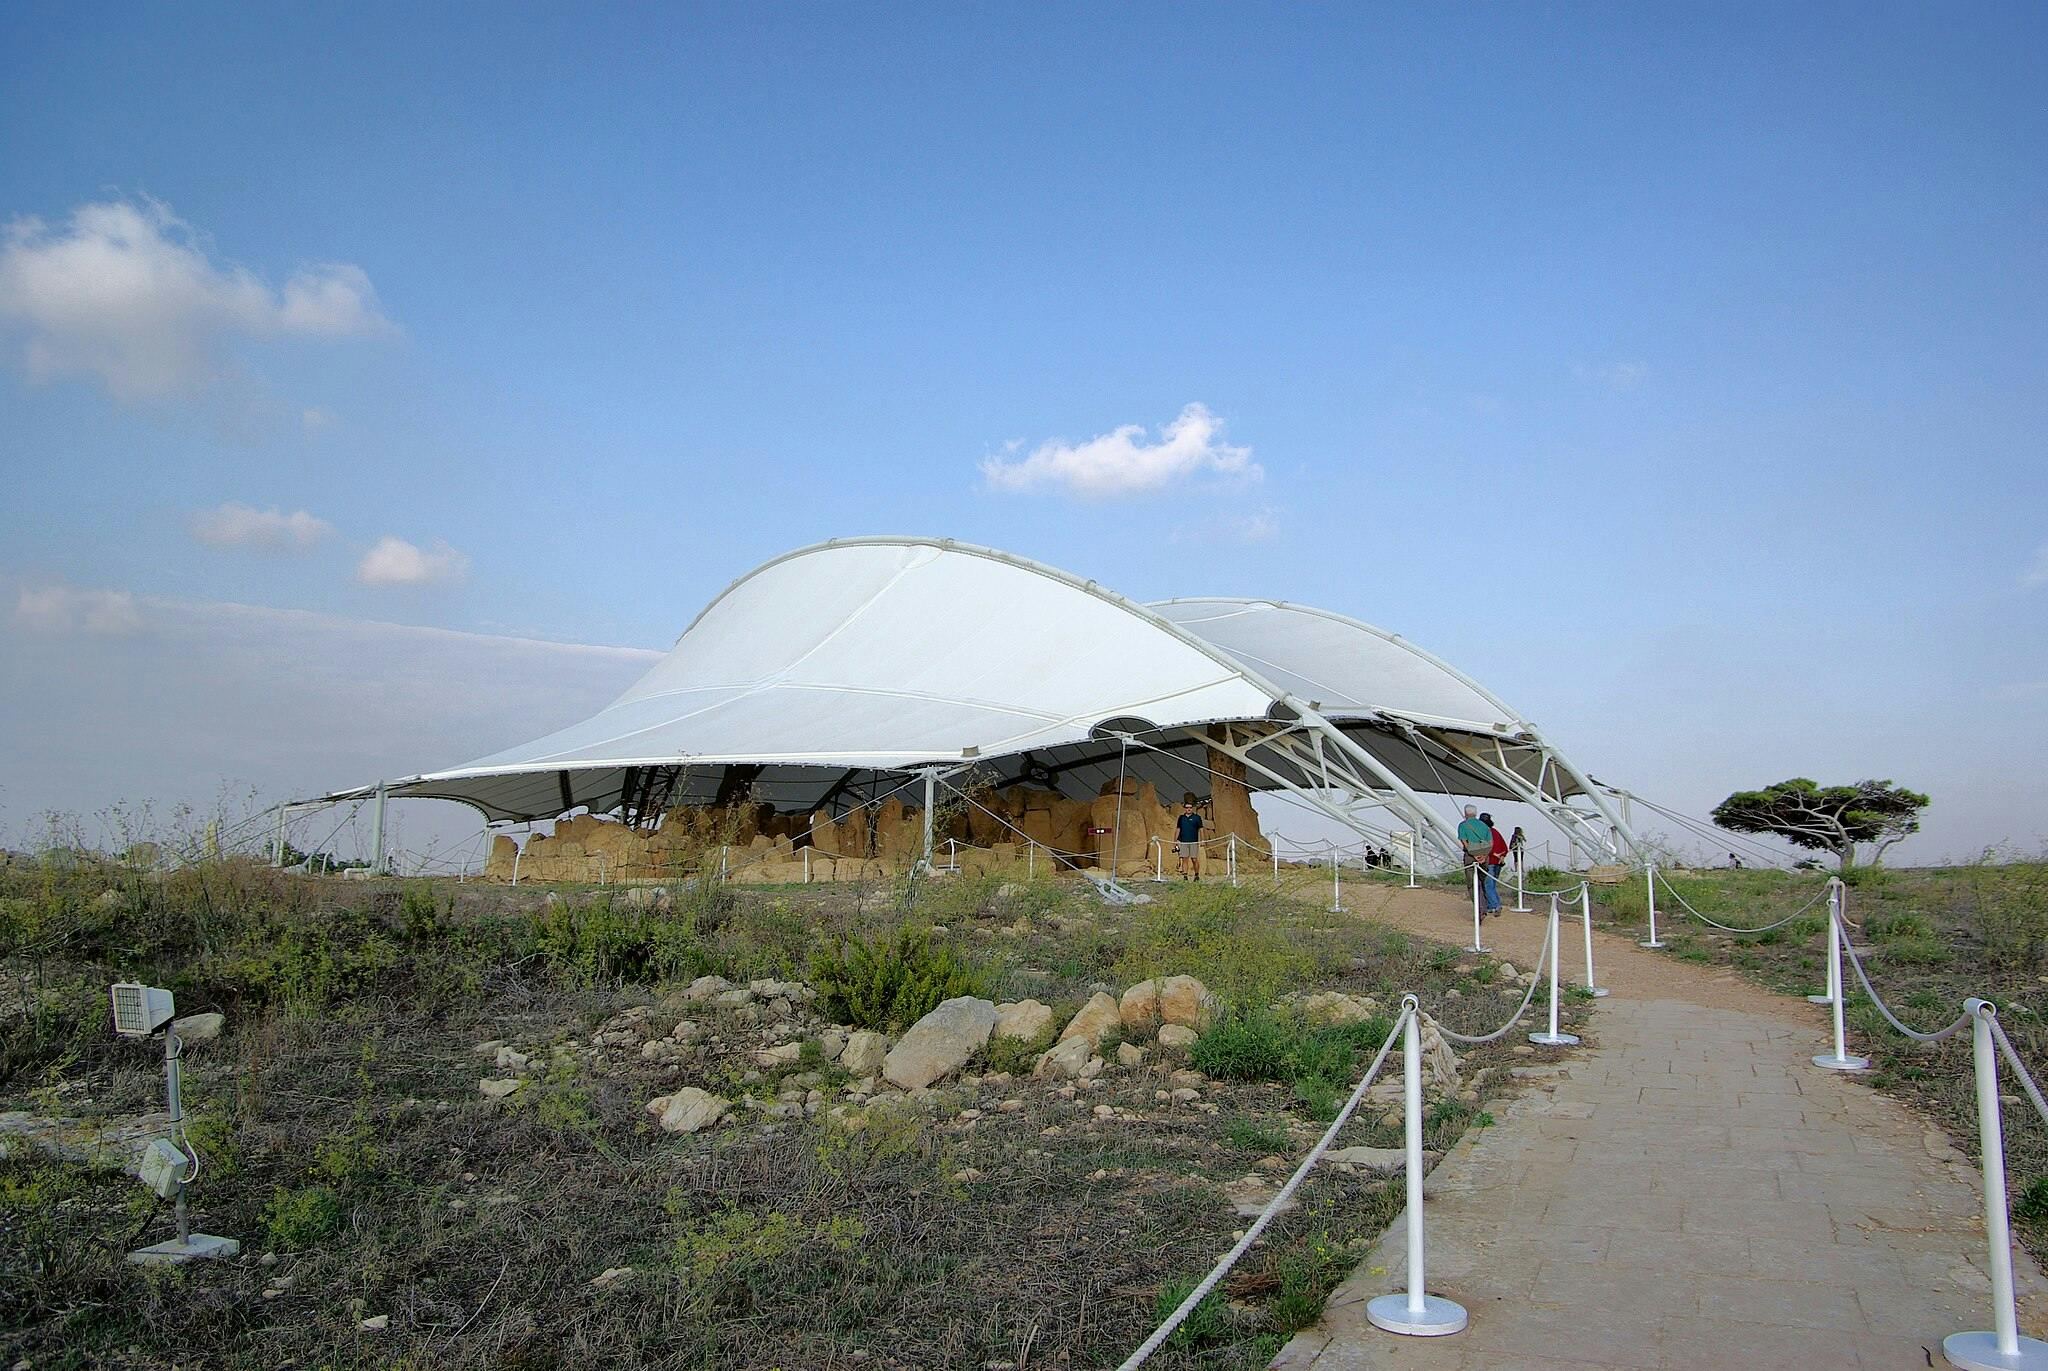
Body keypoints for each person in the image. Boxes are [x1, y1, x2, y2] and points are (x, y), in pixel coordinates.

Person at [1456, 805, 1497, 915]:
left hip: (1470, 856)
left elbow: (1464, 841)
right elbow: (1491, 843)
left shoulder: (1463, 825)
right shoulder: (1484, 826)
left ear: (1465, 813)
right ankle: (1484, 905)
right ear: (1476, 813)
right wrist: (1483, 856)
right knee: (1482, 881)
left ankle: (1479, 909)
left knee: (1472, 883)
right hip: (1484, 857)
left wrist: (1474, 855)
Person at [1481, 812, 1507, 914]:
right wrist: (1502, 856)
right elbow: (1504, 847)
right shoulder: (1495, 832)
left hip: (1489, 862)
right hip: (1498, 863)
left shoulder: (1483, 833)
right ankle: (1494, 904)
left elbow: (1484, 846)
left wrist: (1493, 854)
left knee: (1488, 885)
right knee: (1492, 885)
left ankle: (1494, 906)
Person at [1176, 798, 1204, 880]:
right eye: (1187, 807)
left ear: (1192, 808)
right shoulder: (1181, 818)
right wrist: (1175, 841)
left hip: (1194, 841)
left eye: (1190, 808)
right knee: (1185, 859)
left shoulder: (1197, 818)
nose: (1189, 809)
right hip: (1183, 841)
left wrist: (1202, 840)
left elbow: (1201, 829)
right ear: (1185, 808)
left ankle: (1197, 875)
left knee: (1194, 859)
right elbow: (1178, 829)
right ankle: (1185, 876)